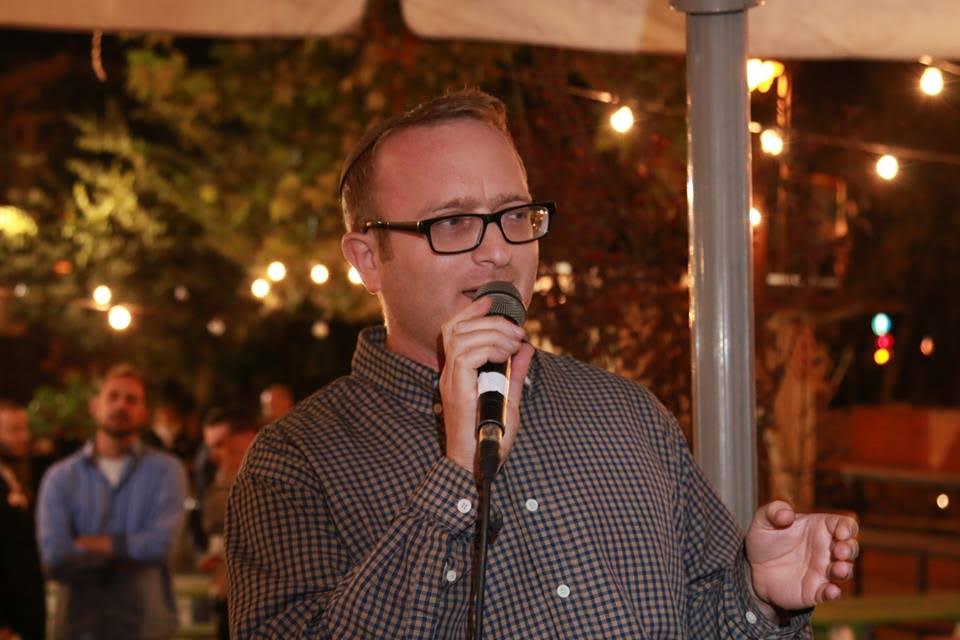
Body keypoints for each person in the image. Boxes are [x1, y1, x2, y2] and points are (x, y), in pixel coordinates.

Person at [226, 90, 859, 638]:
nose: (499, 251)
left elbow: (704, 619)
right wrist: (456, 477)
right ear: (368, 259)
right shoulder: (296, 462)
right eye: (453, 223)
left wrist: (758, 599)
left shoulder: (625, 414)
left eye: (513, 215)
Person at [36, 364, 188, 640]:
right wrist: (129, 550)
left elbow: (161, 544)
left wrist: (86, 544)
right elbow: (55, 556)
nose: (121, 405)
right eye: (113, 396)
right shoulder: (60, 477)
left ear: (144, 412)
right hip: (79, 627)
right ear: (95, 406)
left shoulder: (167, 471)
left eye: (132, 399)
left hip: (145, 626)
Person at [197, 407, 260, 640]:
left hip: (263, 602)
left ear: (248, 437)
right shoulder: (220, 478)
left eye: (221, 444)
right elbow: (213, 527)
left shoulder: (277, 479)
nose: (214, 455)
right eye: (211, 447)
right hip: (228, 599)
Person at [0, 401, 45, 640]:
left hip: (26, 615)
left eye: (25, 429)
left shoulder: (15, 478)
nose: (24, 436)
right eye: (14, 430)